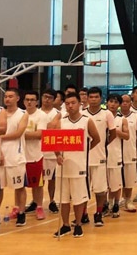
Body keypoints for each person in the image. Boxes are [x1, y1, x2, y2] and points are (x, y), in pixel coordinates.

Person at [50, 92, 100, 238]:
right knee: (63, 198)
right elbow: (54, 141)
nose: (70, 106)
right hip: (63, 166)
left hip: (79, 167)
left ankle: (78, 224)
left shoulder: (87, 121)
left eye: (73, 103)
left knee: (79, 198)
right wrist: (58, 155)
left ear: (79, 104)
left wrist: (84, 150)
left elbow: (96, 139)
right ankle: (65, 225)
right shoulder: (61, 122)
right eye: (67, 103)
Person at [83, 87, 115, 226]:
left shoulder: (107, 114)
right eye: (91, 97)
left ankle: (98, 213)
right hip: (83, 159)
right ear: (87, 98)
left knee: (100, 189)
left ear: (101, 98)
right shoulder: (82, 114)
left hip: (100, 156)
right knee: (82, 189)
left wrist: (104, 145)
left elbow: (113, 133)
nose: (93, 99)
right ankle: (83, 214)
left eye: (96, 97)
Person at [0, 88, 29, 226]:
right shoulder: (0, 113)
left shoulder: (23, 114)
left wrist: (1, 137)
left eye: (11, 96)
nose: (7, 99)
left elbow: (18, 133)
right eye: (6, 96)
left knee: (19, 186)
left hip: (15, 156)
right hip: (0, 155)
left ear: (17, 98)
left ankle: (21, 213)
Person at [23, 91, 49, 220]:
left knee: (38, 184)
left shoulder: (41, 115)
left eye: (32, 100)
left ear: (37, 102)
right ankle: (19, 208)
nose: (29, 102)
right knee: (19, 185)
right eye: (27, 99)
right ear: (23, 101)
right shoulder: (20, 114)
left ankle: (39, 207)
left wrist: (19, 135)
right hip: (20, 155)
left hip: (36, 155)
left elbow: (39, 134)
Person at [105, 93, 129, 218]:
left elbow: (127, 136)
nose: (113, 104)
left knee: (116, 182)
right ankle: (107, 204)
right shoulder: (102, 116)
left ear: (119, 105)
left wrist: (117, 132)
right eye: (111, 101)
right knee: (106, 182)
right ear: (107, 102)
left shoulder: (122, 119)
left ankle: (116, 204)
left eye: (115, 102)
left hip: (116, 154)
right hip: (103, 154)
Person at [40, 89, 60, 213]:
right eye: (45, 96)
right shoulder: (36, 112)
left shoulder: (58, 113)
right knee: (39, 180)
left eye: (50, 97)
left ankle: (52, 201)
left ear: (54, 99)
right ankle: (37, 202)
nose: (47, 99)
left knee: (52, 179)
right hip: (38, 151)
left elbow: (53, 129)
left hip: (52, 152)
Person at [120, 93, 137, 213]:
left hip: (130, 151)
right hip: (116, 152)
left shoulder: (136, 116)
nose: (125, 104)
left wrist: (132, 143)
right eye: (122, 101)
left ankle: (128, 200)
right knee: (116, 179)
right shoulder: (113, 116)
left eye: (127, 101)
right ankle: (117, 200)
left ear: (130, 103)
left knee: (129, 178)